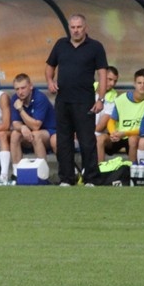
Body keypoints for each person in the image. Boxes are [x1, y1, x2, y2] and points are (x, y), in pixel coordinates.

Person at [45, 13, 108, 186]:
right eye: (72, 27)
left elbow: (102, 74)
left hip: (85, 101)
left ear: (85, 28)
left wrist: (101, 99)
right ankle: (66, 178)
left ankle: (91, 178)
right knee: (63, 141)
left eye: (79, 27)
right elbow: (50, 66)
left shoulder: (95, 47)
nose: (76, 30)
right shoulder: (60, 44)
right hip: (63, 101)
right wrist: (50, 82)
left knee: (87, 140)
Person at [97, 68, 144, 165]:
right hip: (118, 136)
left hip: (135, 137)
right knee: (100, 139)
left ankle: (131, 173)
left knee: (133, 139)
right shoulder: (122, 99)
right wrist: (112, 132)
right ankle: (100, 172)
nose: (142, 86)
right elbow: (112, 120)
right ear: (134, 84)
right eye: (139, 83)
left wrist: (125, 133)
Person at [9, 73, 57, 171]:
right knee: (14, 134)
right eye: (17, 89)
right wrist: (22, 127)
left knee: (36, 135)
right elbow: (15, 123)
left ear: (31, 86)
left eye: (23, 88)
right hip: (28, 133)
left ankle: (42, 174)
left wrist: (21, 110)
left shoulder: (40, 97)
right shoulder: (15, 98)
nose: (20, 92)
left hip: (50, 131)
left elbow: (36, 126)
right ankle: (16, 173)